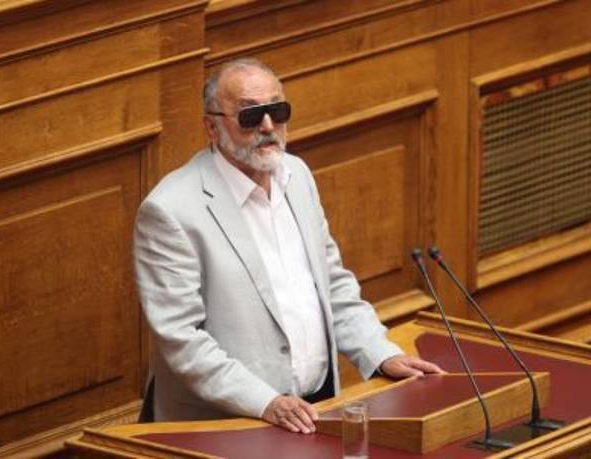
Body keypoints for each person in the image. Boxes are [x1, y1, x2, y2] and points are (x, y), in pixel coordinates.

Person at [134, 58, 442, 434]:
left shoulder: (297, 175)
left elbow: (332, 285)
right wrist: (266, 402)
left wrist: (379, 352)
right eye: (251, 115)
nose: (268, 126)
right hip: (228, 425)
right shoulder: (170, 210)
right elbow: (182, 339)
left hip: (316, 407)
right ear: (212, 127)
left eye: (277, 111)